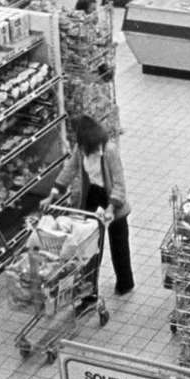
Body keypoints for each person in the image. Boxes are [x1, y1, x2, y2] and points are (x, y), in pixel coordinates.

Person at [51, 114, 135, 298]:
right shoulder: (81, 149)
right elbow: (70, 169)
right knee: (90, 247)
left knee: (119, 244)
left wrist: (112, 208)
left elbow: (119, 183)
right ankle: (89, 290)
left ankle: (125, 283)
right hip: (92, 197)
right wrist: (55, 191)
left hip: (113, 200)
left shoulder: (110, 150)